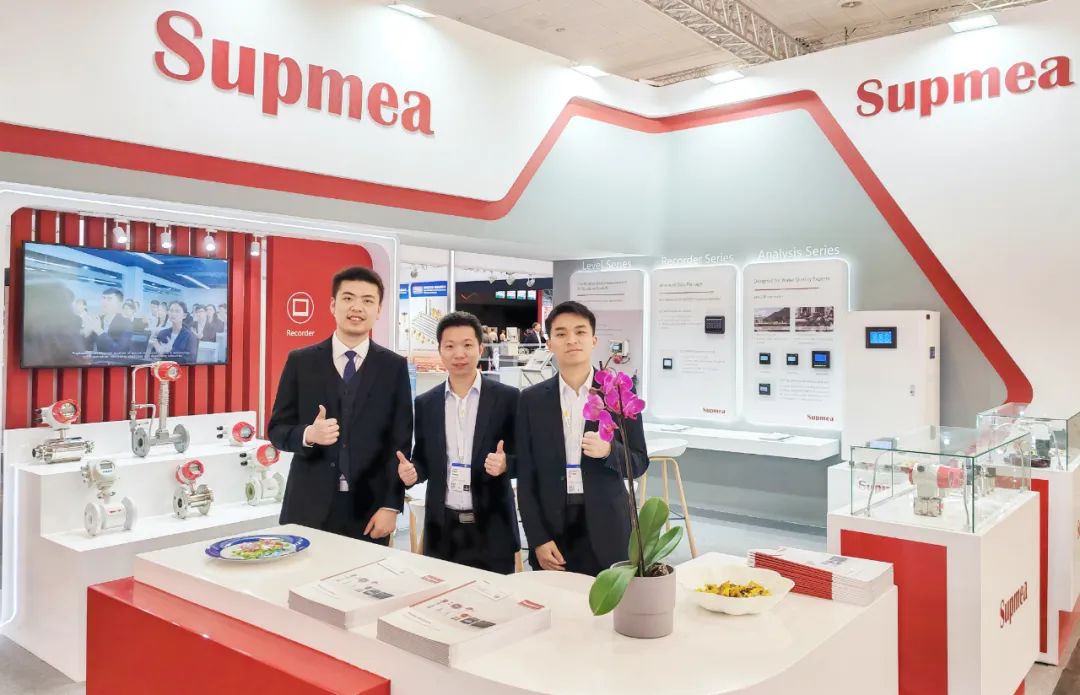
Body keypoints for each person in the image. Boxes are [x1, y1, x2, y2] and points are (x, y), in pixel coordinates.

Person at [268, 266, 412, 545]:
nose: (357, 307)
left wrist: (391, 505)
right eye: (348, 298)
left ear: (378, 310)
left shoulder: (393, 367)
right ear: (333, 305)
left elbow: (400, 442)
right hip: (307, 505)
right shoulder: (301, 362)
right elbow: (277, 430)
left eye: (367, 300)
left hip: (370, 510)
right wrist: (309, 434)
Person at [515, 301, 649, 577]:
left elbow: (638, 462)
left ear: (593, 340)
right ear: (549, 343)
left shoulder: (617, 393)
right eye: (561, 333)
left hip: (608, 526)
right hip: (553, 530)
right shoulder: (531, 400)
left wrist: (609, 451)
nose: (571, 340)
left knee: (610, 603)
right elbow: (527, 478)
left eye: (580, 332)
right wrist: (538, 538)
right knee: (554, 600)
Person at [396, 312, 520, 574]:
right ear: (440, 351)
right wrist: (413, 472)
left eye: (467, 345)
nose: (459, 354)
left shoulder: (507, 399)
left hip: (492, 529)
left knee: (495, 598)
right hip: (443, 530)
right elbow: (424, 460)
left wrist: (506, 464)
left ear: (481, 348)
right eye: (450, 346)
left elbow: (527, 458)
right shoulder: (426, 403)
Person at [83, 288, 133, 355]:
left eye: (109, 299)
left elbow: (120, 351)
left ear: (119, 304)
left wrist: (99, 330)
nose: (105, 302)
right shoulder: (98, 320)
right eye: (103, 298)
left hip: (115, 360)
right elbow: (86, 348)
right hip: (98, 359)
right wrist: (86, 334)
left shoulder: (126, 323)